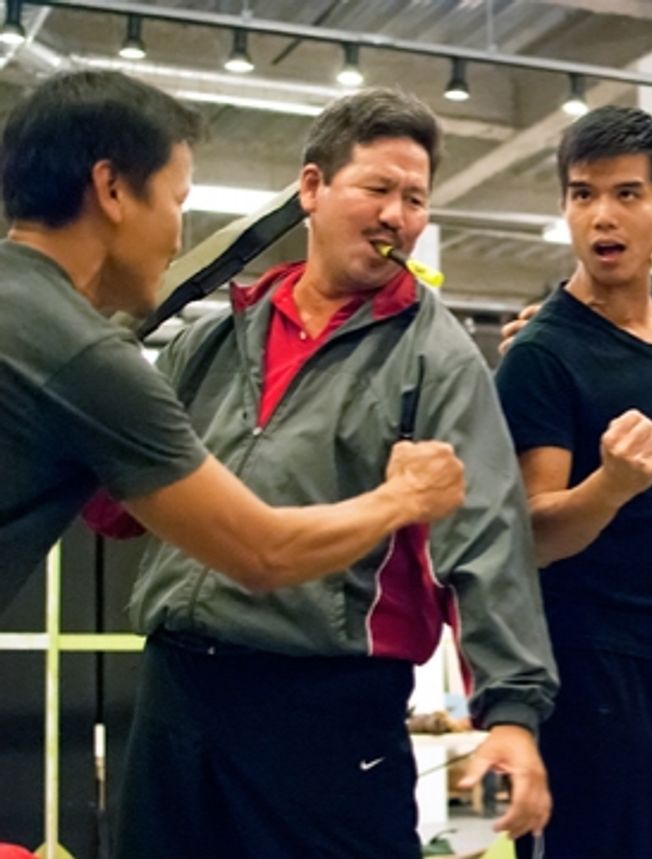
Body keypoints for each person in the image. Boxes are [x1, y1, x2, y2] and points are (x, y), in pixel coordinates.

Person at [96, 87, 557, 859]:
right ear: (311, 188)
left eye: (415, 198)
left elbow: (485, 540)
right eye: (377, 188)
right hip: (179, 691)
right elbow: (117, 507)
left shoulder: (436, 357)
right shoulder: (215, 334)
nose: (397, 216)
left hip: (328, 709)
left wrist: (510, 716)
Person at [0, 70, 465, 609]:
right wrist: (404, 497)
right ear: (112, 190)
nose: (179, 235)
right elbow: (264, 554)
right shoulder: (87, 361)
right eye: (177, 202)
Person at [494, 106, 652, 859]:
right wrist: (610, 485)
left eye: (627, 194)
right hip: (591, 663)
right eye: (582, 193)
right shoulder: (541, 354)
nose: (602, 215)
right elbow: (533, 534)